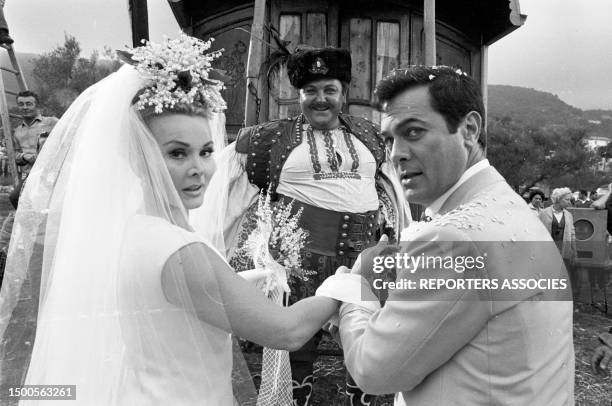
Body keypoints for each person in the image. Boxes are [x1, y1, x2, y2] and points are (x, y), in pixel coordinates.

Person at [0, 35, 342, 404]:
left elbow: (163, 300)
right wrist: (345, 285)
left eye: (206, 151)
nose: (199, 169)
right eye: (177, 153)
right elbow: (287, 331)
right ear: (138, 157)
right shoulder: (180, 250)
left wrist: (241, 282)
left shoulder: (131, 230)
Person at [316, 66, 574, 405]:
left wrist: (352, 293)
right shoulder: (508, 205)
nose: (396, 155)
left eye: (415, 132)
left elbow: (373, 371)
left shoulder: (452, 237)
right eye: (390, 140)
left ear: (468, 129)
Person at [201, 47, 409, 405]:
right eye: (310, 91)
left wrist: (397, 233)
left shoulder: (371, 137)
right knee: (297, 351)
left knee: (367, 347)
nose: (321, 99)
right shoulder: (268, 141)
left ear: (343, 93)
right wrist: (209, 249)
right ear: (298, 96)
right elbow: (221, 194)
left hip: (362, 263)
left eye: (329, 89)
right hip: (300, 265)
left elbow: (392, 188)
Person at [12, 91, 59, 179]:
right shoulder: (17, 131)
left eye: (29, 104)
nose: (25, 107)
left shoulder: (51, 122)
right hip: (28, 176)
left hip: (50, 174)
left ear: (37, 106)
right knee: (16, 193)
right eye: (21, 104)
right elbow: (15, 154)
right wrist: (24, 156)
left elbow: (70, 137)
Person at [539, 187, 577, 269]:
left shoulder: (569, 215)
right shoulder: (544, 213)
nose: (569, 202)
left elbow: (572, 235)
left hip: (564, 253)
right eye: (567, 200)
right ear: (558, 199)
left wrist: (574, 252)